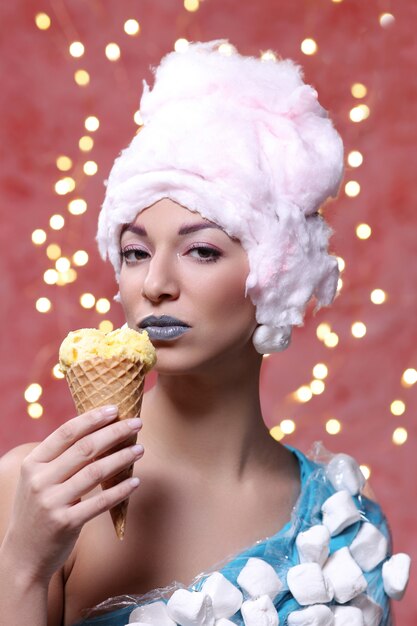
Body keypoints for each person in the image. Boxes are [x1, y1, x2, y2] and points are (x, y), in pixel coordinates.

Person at [0, 40, 409, 626]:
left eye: (201, 250)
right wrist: (22, 566)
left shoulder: (343, 527)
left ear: (276, 275)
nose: (156, 283)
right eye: (135, 251)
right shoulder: (39, 491)